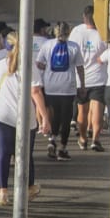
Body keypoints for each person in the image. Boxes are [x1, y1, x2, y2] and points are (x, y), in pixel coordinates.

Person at [0, 34, 48, 205]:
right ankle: (28, 188)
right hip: (24, 115)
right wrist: (45, 117)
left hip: (1, 113)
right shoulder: (29, 64)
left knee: (3, 153)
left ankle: (3, 192)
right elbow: (35, 92)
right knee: (25, 154)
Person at [36, 22, 85, 160]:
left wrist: (46, 69)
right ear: (68, 32)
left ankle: (52, 140)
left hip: (51, 87)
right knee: (66, 118)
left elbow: (39, 63)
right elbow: (80, 67)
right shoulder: (73, 47)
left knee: (54, 116)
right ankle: (62, 148)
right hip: (67, 88)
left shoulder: (47, 45)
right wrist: (82, 85)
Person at [68, 6, 109, 151]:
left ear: (84, 17)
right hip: (98, 77)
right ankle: (95, 139)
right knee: (97, 108)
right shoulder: (103, 32)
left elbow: (70, 51)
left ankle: (83, 138)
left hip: (81, 79)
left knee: (82, 112)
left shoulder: (76, 31)